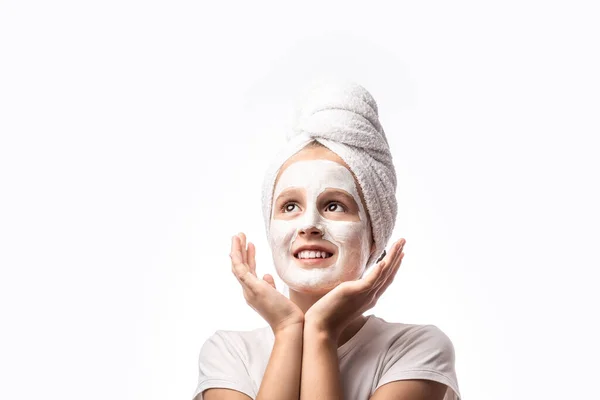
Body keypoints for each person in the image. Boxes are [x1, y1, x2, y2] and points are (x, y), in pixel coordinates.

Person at [192, 81, 461, 400]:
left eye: (334, 205)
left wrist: (321, 330)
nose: (309, 225)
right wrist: (290, 330)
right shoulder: (229, 354)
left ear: (374, 237)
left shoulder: (416, 349)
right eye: (290, 206)